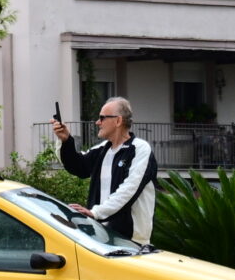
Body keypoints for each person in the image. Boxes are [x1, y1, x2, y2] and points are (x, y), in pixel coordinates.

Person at [51, 96, 159, 245]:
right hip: (101, 238)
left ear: (118, 121)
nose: (97, 122)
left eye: (102, 118)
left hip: (132, 240)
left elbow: (129, 189)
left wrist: (96, 212)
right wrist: (65, 140)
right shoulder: (102, 150)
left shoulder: (140, 149)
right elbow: (77, 166)